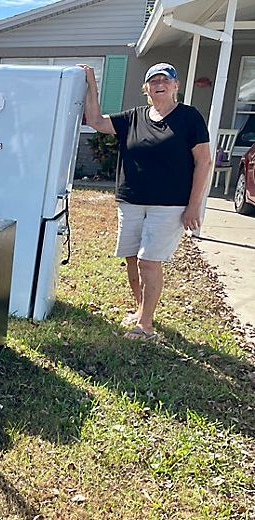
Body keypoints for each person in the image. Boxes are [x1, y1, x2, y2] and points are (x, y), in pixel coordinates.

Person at [80, 62, 211, 341]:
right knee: (131, 258)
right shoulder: (133, 117)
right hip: (132, 202)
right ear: (146, 88)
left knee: (148, 261)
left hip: (169, 205)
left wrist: (193, 206)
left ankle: (146, 325)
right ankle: (141, 311)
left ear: (176, 86)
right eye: (154, 79)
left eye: (166, 78)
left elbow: (204, 162)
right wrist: (92, 81)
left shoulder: (189, 118)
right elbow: (96, 121)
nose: (159, 83)